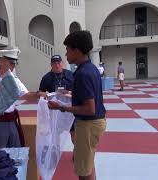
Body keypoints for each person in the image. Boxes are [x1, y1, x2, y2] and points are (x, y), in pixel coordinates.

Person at [48, 31, 106, 180]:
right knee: (88, 163)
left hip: (88, 125)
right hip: (95, 123)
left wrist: (60, 107)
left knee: (83, 171)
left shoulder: (82, 74)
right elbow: (89, 96)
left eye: (68, 50)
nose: (66, 55)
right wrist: (72, 92)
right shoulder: (90, 69)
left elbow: (89, 108)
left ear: (77, 51)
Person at [0, 49, 46, 148]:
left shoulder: (15, 80)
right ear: (1, 61)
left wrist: (38, 94)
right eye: (11, 63)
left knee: (16, 153)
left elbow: (26, 96)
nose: (13, 66)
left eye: (14, 63)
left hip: (12, 122)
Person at [39, 54, 76, 145]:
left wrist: (68, 92)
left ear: (62, 63)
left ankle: (77, 152)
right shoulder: (46, 78)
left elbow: (78, 89)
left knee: (74, 132)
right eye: (54, 63)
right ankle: (56, 151)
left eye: (58, 62)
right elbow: (40, 93)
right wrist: (46, 95)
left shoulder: (70, 74)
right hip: (55, 110)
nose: (57, 65)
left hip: (70, 109)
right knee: (55, 133)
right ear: (51, 64)